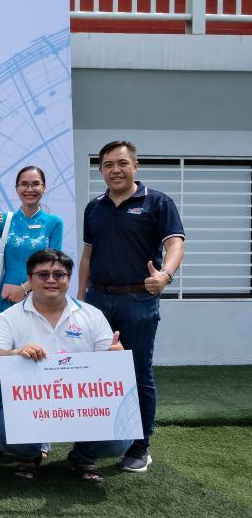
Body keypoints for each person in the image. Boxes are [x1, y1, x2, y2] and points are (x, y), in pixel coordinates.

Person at [78, 141, 185, 473]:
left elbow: (175, 243)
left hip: (138, 299)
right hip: (97, 300)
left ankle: (140, 447)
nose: (115, 169)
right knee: (93, 373)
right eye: (108, 164)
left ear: (135, 165)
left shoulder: (157, 202)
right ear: (100, 170)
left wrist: (165, 274)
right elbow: (87, 256)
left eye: (122, 163)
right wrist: (81, 300)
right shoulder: (94, 207)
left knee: (138, 373)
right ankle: (90, 445)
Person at [0, 249, 131, 481]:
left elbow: (110, 359)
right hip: (30, 404)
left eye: (59, 274)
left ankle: (83, 456)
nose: (51, 280)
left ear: (68, 279)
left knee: (120, 440)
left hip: (83, 402)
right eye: (43, 274)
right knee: (11, 435)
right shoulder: (10, 317)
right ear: (30, 279)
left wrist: (115, 355)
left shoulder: (91, 315)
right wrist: (15, 353)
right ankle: (30, 455)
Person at [0, 166, 63, 434]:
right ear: (16, 188)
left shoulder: (53, 222)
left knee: (37, 358)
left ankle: (39, 431)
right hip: (4, 302)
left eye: (35, 183)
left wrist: (24, 288)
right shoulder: (7, 220)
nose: (29, 188)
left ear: (44, 187)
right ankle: (3, 430)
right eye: (24, 184)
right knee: (3, 361)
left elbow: (53, 263)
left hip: (38, 301)